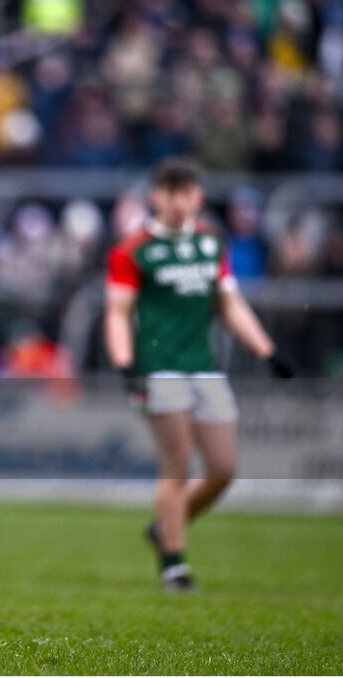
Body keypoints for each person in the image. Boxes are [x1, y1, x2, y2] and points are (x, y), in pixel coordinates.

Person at [105, 157, 293, 593]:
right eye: (169, 191)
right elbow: (117, 313)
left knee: (224, 469)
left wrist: (267, 351)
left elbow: (231, 304)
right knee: (177, 465)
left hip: (205, 367)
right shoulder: (133, 250)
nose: (177, 200)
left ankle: (166, 527)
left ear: (198, 196)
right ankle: (175, 564)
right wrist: (125, 364)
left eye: (185, 191)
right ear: (156, 196)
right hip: (159, 368)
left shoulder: (211, 244)